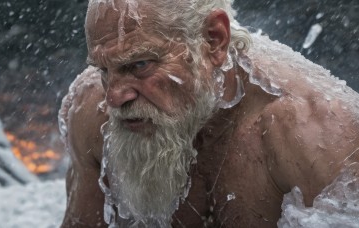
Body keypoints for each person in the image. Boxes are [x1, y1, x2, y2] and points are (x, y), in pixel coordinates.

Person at [59, 0, 359, 227]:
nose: (114, 96)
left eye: (139, 65)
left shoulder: (314, 133)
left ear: (213, 40)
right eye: (103, 70)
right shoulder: (92, 110)